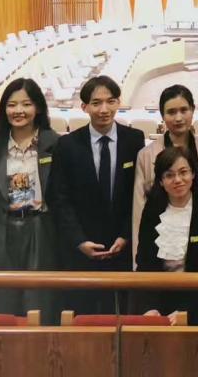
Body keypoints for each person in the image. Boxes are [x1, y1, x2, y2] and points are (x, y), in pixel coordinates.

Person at [50, 76, 146, 313]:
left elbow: (138, 194)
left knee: (120, 317)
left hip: (121, 249)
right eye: (96, 103)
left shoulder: (134, 140)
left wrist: (125, 236)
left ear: (119, 103)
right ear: (84, 107)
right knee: (83, 319)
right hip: (80, 252)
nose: (104, 110)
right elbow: (59, 198)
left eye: (110, 101)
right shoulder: (67, 145)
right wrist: (79, 241)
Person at [0, 78, 60, 322]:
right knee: (3, 305)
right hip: (4, 231)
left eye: (26, 104)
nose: (18, 111)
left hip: (40, 229)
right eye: (12, 105)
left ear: (38, 108)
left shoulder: (54, 144)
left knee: (39, 306)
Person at [136, 147, 198, 324]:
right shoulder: (152, 210)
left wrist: (188, 311)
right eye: (169, 175)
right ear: (161, 181)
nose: (177, 180)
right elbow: (144, 262)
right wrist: (149, 307)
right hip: (159, 302)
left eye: (183, 172)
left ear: (193, 174)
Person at [133, 85, 198, 261]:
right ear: (162, 115)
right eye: (171, 112)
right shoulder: (147, 154)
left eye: (184, 110)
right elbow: (139, 207)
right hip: (161, 236)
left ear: (193, 110)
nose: (178, 118)